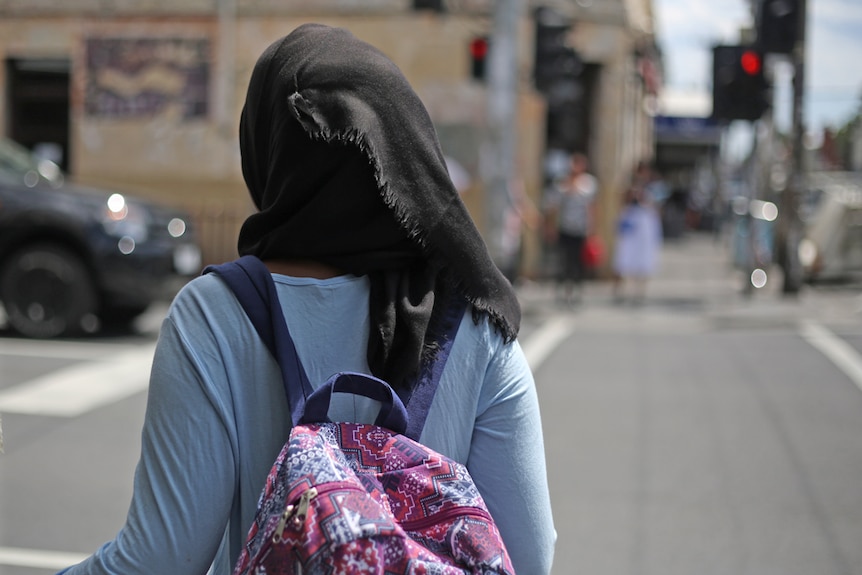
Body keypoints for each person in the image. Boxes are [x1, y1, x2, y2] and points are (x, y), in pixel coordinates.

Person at [56, 23, 556, 575]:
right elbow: (529, 557)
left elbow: (160, 561)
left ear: (267, 150)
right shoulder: (478, 321)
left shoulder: (216, 315)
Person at [543, 152, 598, 306]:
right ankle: (561, 292)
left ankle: (576, 293)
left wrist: (591, 229)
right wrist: (550, 227)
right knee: (562, 261)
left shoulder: (589, 184)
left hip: (580, 230)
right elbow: (553, 207)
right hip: (564, 228)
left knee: (577, 263)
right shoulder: (561, 183)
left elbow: (591, 208)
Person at [611, 161, 663, 304]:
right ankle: (618, 291)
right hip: (630, 223)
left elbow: (656, 206)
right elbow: (621, 201)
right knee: (623, 256)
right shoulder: (628, 186)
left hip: (645, 224)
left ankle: (639, 292)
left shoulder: (653, 188)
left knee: (643, 258)